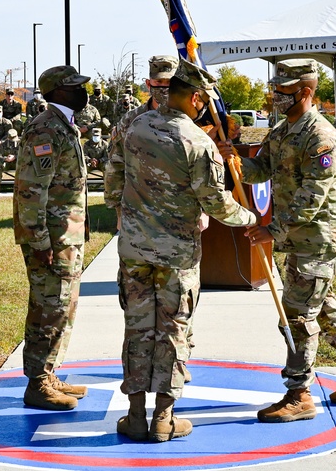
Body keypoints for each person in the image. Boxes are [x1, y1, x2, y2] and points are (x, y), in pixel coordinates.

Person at [223, 58, 336, 423]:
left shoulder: (320, 136)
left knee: (297, 315)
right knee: (321, 303)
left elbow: (314, 193)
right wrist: (230, 159)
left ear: (306, 92)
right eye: (275, 92)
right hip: (298, 238)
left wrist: (274, 229)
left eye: (284, 93)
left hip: (318, 238)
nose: (276, 99)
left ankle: (299, 394)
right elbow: (260, 170)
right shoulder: (283, 130)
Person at [116, 59, 257, 442]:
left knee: (138, 328)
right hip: (176, 254)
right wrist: (249, 219)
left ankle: (134, 415)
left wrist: (126, 213)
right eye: (204, 101)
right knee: (174, 330)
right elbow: (215, 203)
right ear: (196, 98)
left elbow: (116, 175)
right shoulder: (197, 142)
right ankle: (164, 417)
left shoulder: (135, 126)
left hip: (134, 248)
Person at [13, 65, 91, 411]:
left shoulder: (64, 126)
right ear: (57, 92)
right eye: (74, 87)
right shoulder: (45, 129)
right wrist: (39, 240)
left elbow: (67, 186)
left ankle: (50, 370)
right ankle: (37, 382)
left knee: (63, 307)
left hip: (66, 234)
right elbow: (31, 191)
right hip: (52, 239)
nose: (82, 92)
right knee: (48, 307)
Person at [104, 56, 179, 222]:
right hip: (140, 211)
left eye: (169, 83)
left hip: (180, 211)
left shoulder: (189, 119)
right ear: (148, 84)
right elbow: (116, 163)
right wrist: (117, 208)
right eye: (159, 83)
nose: (164, 88)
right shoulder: (131, 120)